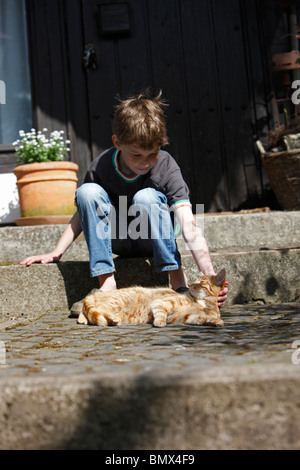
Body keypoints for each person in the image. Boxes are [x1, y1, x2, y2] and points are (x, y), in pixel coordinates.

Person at [20, 91, 228, 307]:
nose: (145, 162)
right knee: (86, 192)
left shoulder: (166, 166)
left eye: (153, 154)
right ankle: (107, 283)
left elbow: (188, 224)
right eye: (136, 155)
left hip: (152, 239)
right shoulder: (100, 166)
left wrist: (211, 276)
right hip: (117, 238)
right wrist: (56, 252)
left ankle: (177, 282)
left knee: (146, 197)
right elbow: (84, 213)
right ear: (117, 143)